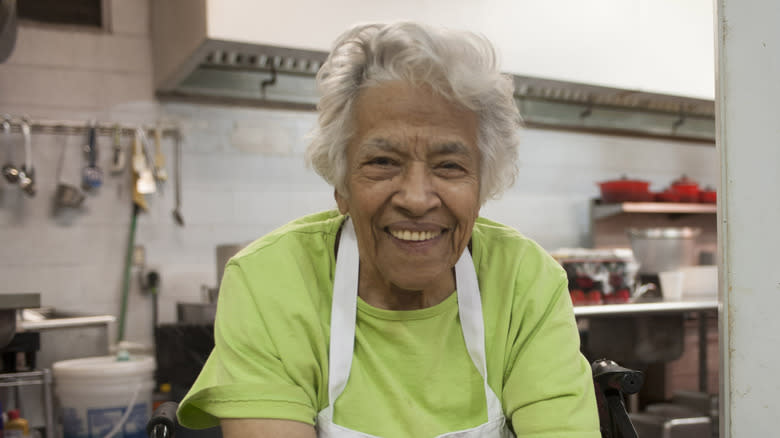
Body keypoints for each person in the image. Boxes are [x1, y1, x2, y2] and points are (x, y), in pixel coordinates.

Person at [177, 22, 600, 438]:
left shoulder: (526, 284)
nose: (416, 199)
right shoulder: (269, 283)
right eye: (383, 162)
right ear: (341, 184)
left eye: (449, 166)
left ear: (481, 187)